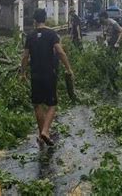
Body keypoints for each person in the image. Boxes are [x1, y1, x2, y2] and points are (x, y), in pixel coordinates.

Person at [21, 9, 74, 147]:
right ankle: (45, 131)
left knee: (37, 104)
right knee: (52, 105)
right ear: (45, 19)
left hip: (35, 74)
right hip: (49, 73)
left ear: (34, 21)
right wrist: (69, 69)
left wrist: (23, 73)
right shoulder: (52, 34)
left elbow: (25, 56)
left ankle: (41, 136)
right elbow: (60, 52)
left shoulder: (30, 36)